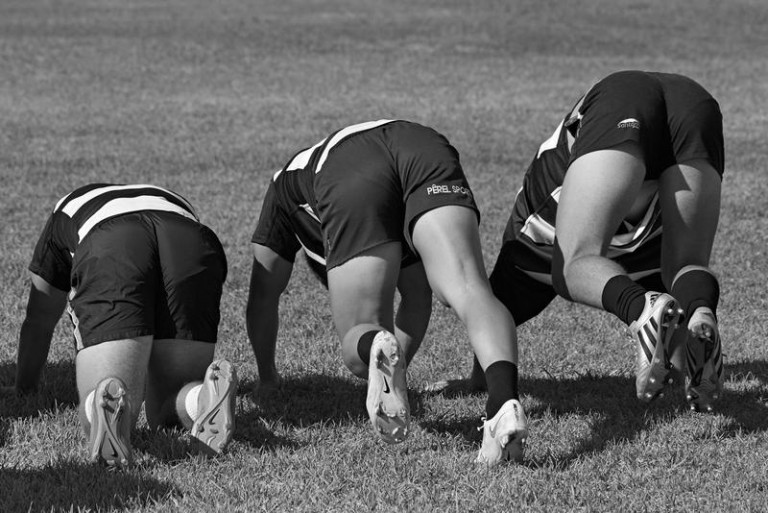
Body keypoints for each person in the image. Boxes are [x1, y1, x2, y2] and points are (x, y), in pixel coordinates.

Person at [247, 119, 527, 465]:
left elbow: (263, 295)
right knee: (470, 287)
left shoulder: (282, 188)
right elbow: (416, 297)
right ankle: (503, 403)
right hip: (424, 145)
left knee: (359, 337)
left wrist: (267, 378)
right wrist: (396, 375)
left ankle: (375, 353)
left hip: (350, 164)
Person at [464, 70, 724, 413]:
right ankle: (701, 311)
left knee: (572, 266)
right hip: (695, 101)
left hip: (623, 97)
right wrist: (677, 369)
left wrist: (478, 382)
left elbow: (494, 309)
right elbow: (671, 313)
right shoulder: (644, 254)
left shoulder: (528, 237)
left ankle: (641, 309)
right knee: (684, 264)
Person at [4, 183, 237, 466]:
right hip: (190, 240)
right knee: (169, 407)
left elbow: (39, 319)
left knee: (107, 391)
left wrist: (24, 387)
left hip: (112, 242)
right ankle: (200, 398)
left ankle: (101, 409)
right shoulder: (169, 198)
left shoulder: (63, 212)